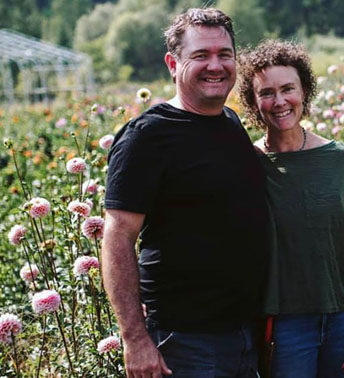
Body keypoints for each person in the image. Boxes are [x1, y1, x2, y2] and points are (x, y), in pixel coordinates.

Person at [102, 8, 269, 378]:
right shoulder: (147, 136)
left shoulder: (231, 122)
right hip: (184, 341)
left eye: (225, 54)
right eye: (201, 56)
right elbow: (118, 236)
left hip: (244, 330)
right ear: (172, 64)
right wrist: (135, 338)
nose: (216, 65)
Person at [237, 40, 344, 378]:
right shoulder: (247, 164)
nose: (280, 101)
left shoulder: (337, 158)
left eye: (288, 89)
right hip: (285, 326)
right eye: (267, 92)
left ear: (305, 91)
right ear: (254, 103)